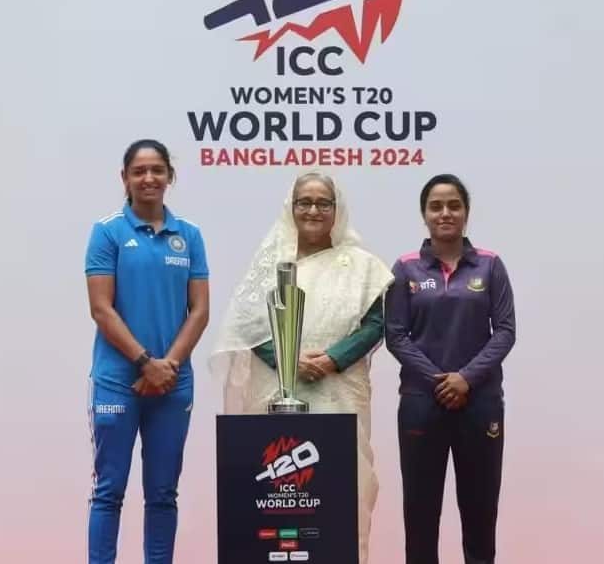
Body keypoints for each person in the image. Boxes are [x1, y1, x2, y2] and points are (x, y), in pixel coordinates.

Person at [212, 171, 393, 563]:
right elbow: (245, 327)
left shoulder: (363, 265)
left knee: (341, 497)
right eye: (304, 202)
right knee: (277, 501)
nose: (313, 210)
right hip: (275, 388)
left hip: (339, 392)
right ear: (290, 208)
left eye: (322, 203)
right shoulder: (270, 264)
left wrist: (333, 359)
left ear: (336, 210)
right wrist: (287, 360)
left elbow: (377, 323)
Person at [84, 139, 210, 564]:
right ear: (125, 178)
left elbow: (199, 311)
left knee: (162, 494)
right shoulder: (107, 232)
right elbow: (101, 309)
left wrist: (167, 367)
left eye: (157, 170)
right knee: (109, 491)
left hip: (172, 385)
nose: (149, 178)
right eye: (139, 171)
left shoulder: (188, 235)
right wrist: (144, 362)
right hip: (119, 382)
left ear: (169, 177)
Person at [384, 174, 515, 564]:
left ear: (466, 213)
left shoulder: (490, 265)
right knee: (420, 513)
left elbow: (505, 331)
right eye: (436, 206)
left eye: (453, 205)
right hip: (422, 403)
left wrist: (466, 379)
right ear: (424, 215)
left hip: (481, 403)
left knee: (480, 510)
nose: (445, 213)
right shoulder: (406, 268)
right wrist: (439, 380)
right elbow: (396, 335)